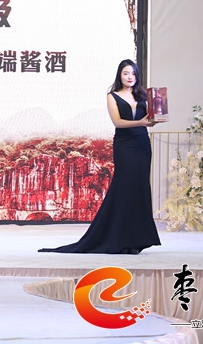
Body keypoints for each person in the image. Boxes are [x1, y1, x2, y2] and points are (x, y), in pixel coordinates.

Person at [39, 58, 161, 254]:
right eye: (126, 73)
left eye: (133, 73)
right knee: (124, 189)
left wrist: (156, 118)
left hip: (142, 145)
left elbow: (151, 118)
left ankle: (137, 240)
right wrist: (142, 122)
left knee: (140, 189)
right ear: (120, 75)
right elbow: (118, 122)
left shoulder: (143, 96)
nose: (130, 77)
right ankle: (117, 237)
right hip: (124, 145)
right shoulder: (112, 96)